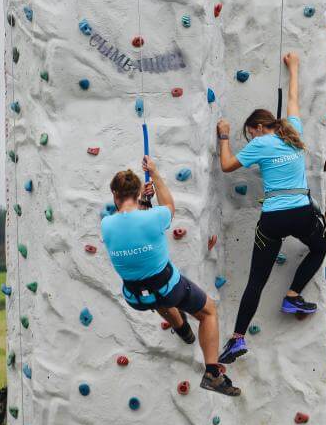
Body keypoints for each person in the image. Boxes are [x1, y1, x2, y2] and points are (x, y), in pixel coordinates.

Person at [215, 51, 326, 364]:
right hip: (302, 213)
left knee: (256, 281)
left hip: (273, 219)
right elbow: (293, 97)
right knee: (320, 247)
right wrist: (294, 67)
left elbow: (226, 166)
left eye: (249, 132)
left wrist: (224, 136)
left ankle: (237, 340)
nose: (249, 137)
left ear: (257, 127)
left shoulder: (259, 143)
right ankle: (293, 296)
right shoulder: (293, 132)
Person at [101, 156, 241, 396]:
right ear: (136, 194)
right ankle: (213, 374)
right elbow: (168, 208)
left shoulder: (107, 225)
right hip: (168, 287)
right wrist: (154, 175)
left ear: (115, 196)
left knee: (155, 296)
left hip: (135, 297)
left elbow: (131, 223)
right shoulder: (153, 218)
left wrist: (142, 202)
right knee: (208, 311)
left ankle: (181, 327)